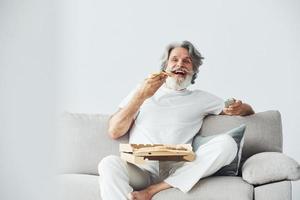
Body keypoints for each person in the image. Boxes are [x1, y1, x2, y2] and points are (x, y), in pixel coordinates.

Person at [98, 41, 255, 200]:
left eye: (187, 61)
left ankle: (153, 191)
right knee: (108, 163)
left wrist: (240, 108)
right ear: (165, 67)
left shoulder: (201, 98)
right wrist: (141, 95)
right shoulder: (142, 90)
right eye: (174, 59)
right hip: (140, 167)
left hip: (179, 168)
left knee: (227, 144)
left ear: (194, 71)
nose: (180, 64)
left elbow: (246, 110)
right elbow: (114, 131)